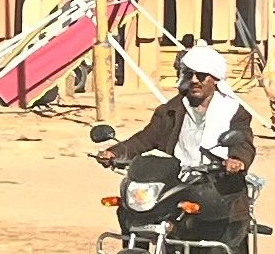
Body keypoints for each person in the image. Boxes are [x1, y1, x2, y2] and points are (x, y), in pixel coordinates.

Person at [97, 43, 256, 184]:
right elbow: (145, 138)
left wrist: (236, 160)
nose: (194, 80)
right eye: (189, 74)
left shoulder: (233, 111)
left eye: (201, 75)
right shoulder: (172, 109)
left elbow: (243, 141)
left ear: (215, 79)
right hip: (178, 180)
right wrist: (115, 153)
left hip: (218, 182)